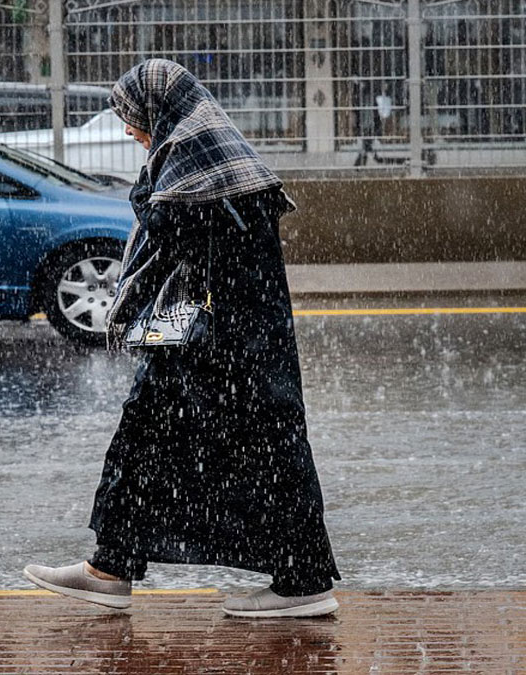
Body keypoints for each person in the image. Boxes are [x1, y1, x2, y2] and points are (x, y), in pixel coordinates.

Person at [24, 59, 341, 618]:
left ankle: (303, 582)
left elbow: (182, 238)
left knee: (256, 455)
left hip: (226, 353)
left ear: (161, 111)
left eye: (132, 117)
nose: (128, 129)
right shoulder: (202, 160)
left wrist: (150, 206)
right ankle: (110, 567)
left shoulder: (203, 169)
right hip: (207, 345)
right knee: (150, 443)